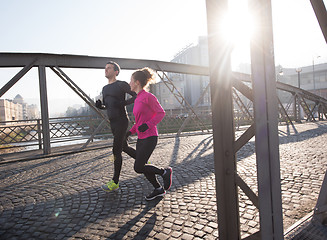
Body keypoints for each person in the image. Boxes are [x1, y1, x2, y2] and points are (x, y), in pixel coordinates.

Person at [126, 67, 172, 201]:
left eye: (131, 80)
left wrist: (149, 125)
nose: (129, 83)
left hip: (150, 137)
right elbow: (139, 122)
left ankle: (164, 172)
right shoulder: (137, 99)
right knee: (143, 166)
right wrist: (130, 131)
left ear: (137, 82)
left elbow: (161, 113)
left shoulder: (148, 97)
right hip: (141, 138)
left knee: (138, 167)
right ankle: (158, 189)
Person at [96, 61, 137, 192]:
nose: (106, 70)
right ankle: (143, 161)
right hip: (112, 122)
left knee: (116, 150)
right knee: (123, 147)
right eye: (105, 68)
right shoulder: (104, 88)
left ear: (116, 72)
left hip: (121, 120)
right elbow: (108, 106)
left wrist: (123, 103)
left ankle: (115, 182)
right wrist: (100, 106)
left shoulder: (121, 84)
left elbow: (136, 96)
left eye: (109, 68)